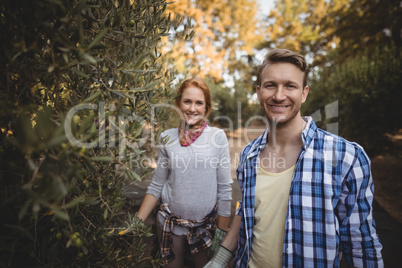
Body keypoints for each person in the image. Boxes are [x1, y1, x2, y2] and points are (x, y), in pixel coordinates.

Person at [206, 49, 383, 267]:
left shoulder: (346, 157)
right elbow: (247, 212)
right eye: (271, 85)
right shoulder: (249, 154)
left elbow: (361, 243)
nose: (279, 96)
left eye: (290, 86)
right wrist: (219, 261)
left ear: (304, 93)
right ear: (259, 92)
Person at [137, 77, 233, 268]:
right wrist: (135, 223)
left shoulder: (217, 137)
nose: (192, 108)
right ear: (178, 103)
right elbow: (157, 185)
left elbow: (225, 188)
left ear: (206, 107)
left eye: (199, 103)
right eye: (187, 101)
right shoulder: (167, 137)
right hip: (170, 224)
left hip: (205, 228)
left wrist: (221, 235)